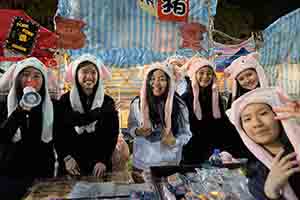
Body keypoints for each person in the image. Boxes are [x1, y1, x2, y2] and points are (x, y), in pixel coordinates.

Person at [227, 87, 300, 200]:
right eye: (247, 119)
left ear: (278, 116)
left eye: (263, 113)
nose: (257, 123)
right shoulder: (256, 176)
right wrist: (271, 192)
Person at [0, 57, 56, 199]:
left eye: (36, 76)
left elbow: (61, 136)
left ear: (43, 81)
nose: (30, 80)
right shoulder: (3, 105)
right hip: (10, 177)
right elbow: (2, 136)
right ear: (18, 78)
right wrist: (20, 110)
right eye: (25, 75)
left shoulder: (52, 106)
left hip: (42, 176)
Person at [55, 54, 119, 177]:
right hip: (71, 165)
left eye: (93, 72)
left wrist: (103, 160)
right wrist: (67, 158)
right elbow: (58, 133)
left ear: (98, 76)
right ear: (76, 75)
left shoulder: (107, 102)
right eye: (84, 72)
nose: (89, 76)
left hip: (99, 166)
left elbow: (112, 134)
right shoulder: (64, 101)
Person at [128, 62, 192, 182]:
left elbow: (186, 133)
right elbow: (131, 128)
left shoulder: (179, 105)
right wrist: (137, 131)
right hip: (142, 164)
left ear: (169, 82)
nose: (156, 83)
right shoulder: (137, 103)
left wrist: (174, 141)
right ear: (147, 81)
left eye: (162, 79)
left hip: (169, 165)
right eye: (152, 79)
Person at [181, 56, 250, 164]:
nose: (205, 76)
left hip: (214, 143)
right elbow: (185, 127)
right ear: (194, 75)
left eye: (209, 73)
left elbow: (222, 122)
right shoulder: (185, 98)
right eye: (201, 73)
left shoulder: (215, 96)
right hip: (194, 145)